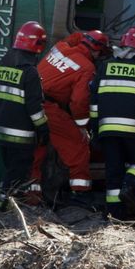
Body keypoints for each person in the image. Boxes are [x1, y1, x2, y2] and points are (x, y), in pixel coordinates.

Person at [30, 30, 110, 205]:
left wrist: (84, 35)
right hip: (48, 108)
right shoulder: (87, 68)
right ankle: (80, 194)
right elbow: (78, 102)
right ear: (97, 51)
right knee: (78, 146)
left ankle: (31, 198)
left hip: (30, 101)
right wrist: (83, 127)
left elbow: (73, 37)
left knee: (37, 150)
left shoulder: (60, 47)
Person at [90, 25, 135, 220]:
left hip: (107, 130)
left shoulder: (105, 66)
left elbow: (94, 102)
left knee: (113, 171)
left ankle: (115, 215)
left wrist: (96, 130)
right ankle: (129, 186)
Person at [0, 20, 49, 210]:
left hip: (2, 130)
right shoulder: (30, 72)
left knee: (10, 170)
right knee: (17, 172)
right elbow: (34, 108)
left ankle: (5, 204)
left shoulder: (2, 66)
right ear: (38, 45)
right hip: (22, 134)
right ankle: (3, 207)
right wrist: (43, 129)